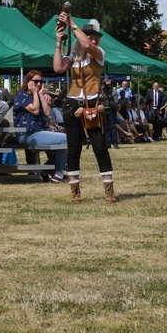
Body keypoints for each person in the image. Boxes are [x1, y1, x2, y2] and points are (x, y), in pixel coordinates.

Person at [53, 16, 117, 203]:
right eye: (89, 35)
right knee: (73, 149)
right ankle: (75, 191)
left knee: (100, 147)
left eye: (96, 37)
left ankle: (109, 189)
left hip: (92, 104)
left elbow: (88, 47)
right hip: (72, 104)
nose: (93, 39)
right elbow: (58, 67)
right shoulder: (74, 56)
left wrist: (72, 24)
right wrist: (58, 43)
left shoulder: (99, 53)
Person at [12, 71, 67, 183]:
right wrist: (35, 93)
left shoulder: (37, 96)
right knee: (65, 139)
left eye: (40, 82)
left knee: (68, 140)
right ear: (28, 82)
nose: (38, 84)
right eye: (35, 81)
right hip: (27, 135)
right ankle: (58, 173)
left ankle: (48, 170)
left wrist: (40, 95)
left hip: (40, 132)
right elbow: (35, 110)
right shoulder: (21, 95)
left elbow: (47, 113)